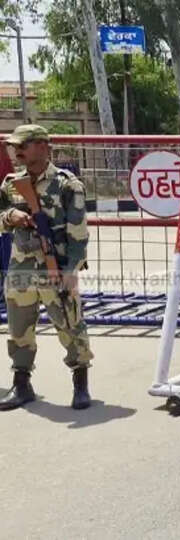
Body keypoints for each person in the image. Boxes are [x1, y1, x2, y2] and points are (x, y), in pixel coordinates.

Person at [0, 124, 93, 411]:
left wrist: (70, 270)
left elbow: (78, 234)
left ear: (42, 146)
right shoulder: (11, 183)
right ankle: (21, 384)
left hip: (56, 267)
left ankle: (80, 383)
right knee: (19, 328)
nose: (17, 151)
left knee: (69, 323)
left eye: (23, 146)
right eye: (14, 146)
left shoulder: (67, 185)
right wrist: (9, 216)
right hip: (21, 268)